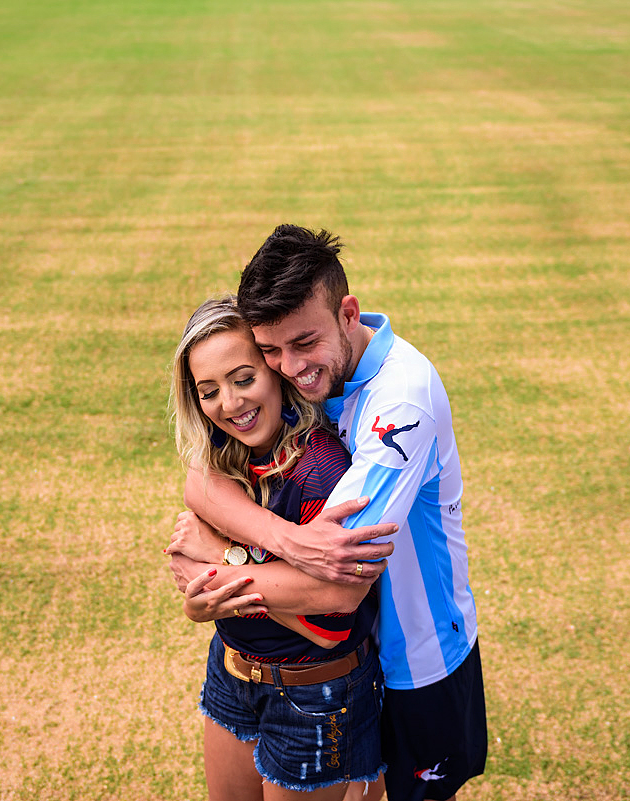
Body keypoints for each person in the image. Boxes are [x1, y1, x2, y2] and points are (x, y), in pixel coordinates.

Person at [169, 226, 487, 801]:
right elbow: (203, 479)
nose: (290, 367)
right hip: (344, 652)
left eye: (304, 343)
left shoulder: (400, 405)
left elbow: (336, 592)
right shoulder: (312, 389)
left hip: (414, 653)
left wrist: (216, 561)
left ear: (348, 313)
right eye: (271, 351)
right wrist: (282, 539)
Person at [168, 295, 386, 801]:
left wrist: (222, 560)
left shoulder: (324, 469)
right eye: (208, 391)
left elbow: (330, 623)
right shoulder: (224, 457)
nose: (230, 404)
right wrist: (198, 604)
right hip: (230, 670)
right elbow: (194, 573)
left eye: (243, 379)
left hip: (314, 692)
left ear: (274, 370)